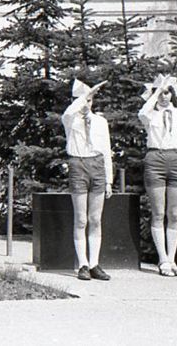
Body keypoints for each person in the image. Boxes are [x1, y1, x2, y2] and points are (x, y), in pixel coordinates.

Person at [139, 74, 177, 277]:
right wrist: (156, 91)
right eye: (160, 93)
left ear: (172, 94)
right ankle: (162, 259)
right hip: (156, 159)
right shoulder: (150, 115)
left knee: (173, 213)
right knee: (158, 212)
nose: (163, 96)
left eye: (167, 92)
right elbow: (142, 112)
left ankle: (172, 260)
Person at [61, 79, 113, 281]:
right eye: (83, 100)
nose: (86, 104)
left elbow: (106, 151)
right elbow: (68, 113)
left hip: (97, 165)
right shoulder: (70, 120)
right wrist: (83, 96)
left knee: (95, 219)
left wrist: (108, 180)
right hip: (78, 165)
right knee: (81, 219)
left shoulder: (100, 122)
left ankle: (94, 264)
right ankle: (82, 264)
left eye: (90, 100)